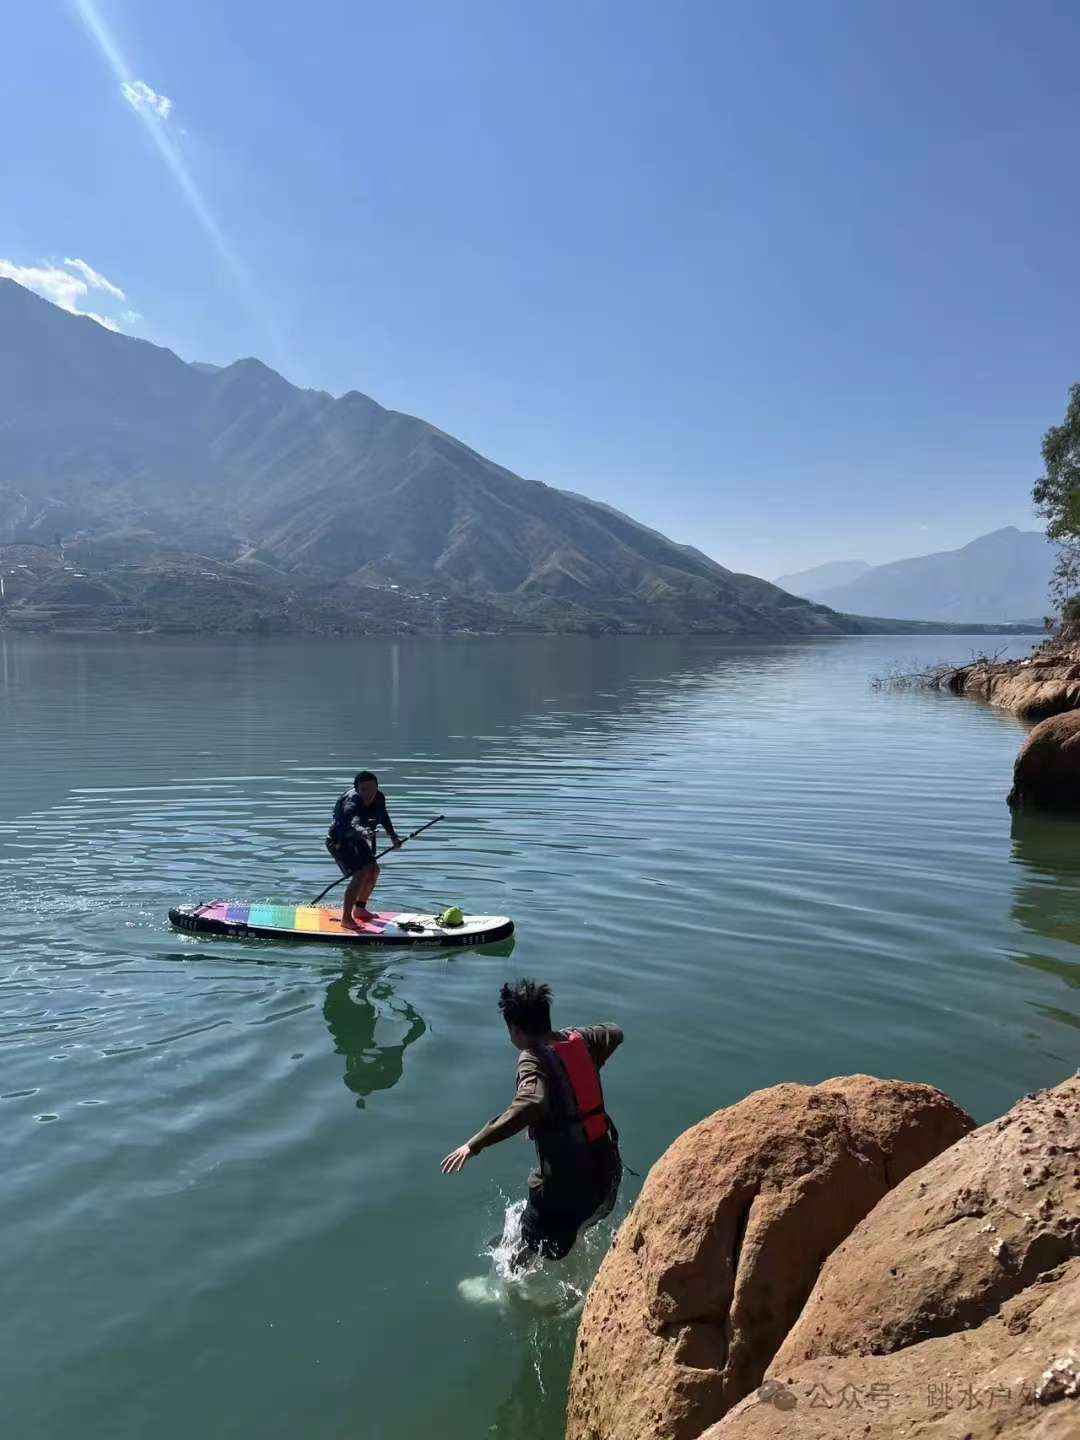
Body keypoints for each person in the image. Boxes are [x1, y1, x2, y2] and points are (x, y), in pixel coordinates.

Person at [441, 979, 623, 1263]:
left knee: (523, 1247)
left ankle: (503, 1287)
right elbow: (615, 1032)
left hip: (565, 1189)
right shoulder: (583, 1040)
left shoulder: (531, 1059)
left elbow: (531, 1102)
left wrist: (474, 1145)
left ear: (514, 1029)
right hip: (607, 1175)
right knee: (570, 1232)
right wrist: (577, 1046)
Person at [326, 771, 401, 928]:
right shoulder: (351, 802)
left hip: (358, 840)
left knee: (373, 870)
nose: (369, 794)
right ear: (357, 789)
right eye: (364, 790)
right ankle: (346, 919)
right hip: (339, 841)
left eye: (372, 789)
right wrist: (364, 832)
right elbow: (354, 822)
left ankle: (360, 909)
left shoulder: (379, 797)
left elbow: (383, 815)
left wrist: (393, 836)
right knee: (359, 874)